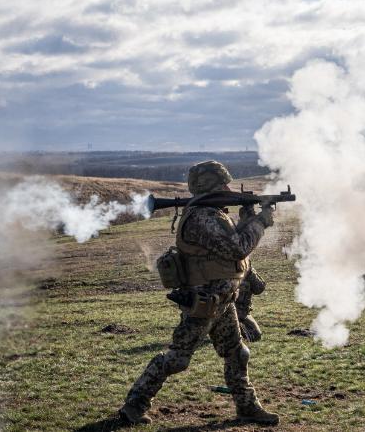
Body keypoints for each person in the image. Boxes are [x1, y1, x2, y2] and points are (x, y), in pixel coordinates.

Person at [118, 160, 278, 426]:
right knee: (178, 358)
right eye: (223, 183)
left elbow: (230, 248)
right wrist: (260, 222)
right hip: (204, 302)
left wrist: (248, 218)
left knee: (238, 354)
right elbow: (237, 249)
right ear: (210, 186)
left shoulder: (214, 214)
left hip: (222, 302)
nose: (228, 187)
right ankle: (134, 405)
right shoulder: (202, 217)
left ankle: (247, 408)